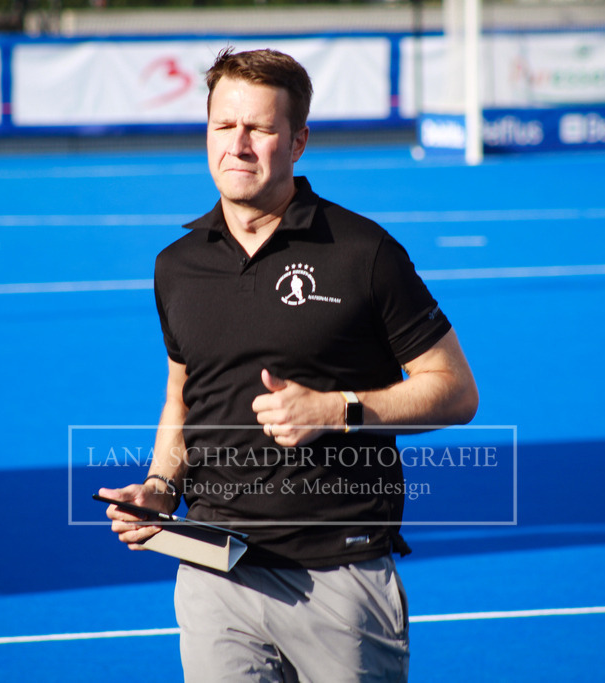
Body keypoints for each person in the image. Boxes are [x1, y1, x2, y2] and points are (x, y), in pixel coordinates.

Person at [100, 47, 478, 683]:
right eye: (224, 125)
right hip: (214, 568)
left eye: (259, 128)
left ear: (298, 141)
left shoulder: (363, 252)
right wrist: (160, 488)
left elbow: (456, 391)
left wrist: (337, 410)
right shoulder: (177, 265)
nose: (238, 145)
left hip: (338, 575)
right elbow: (182, 397)